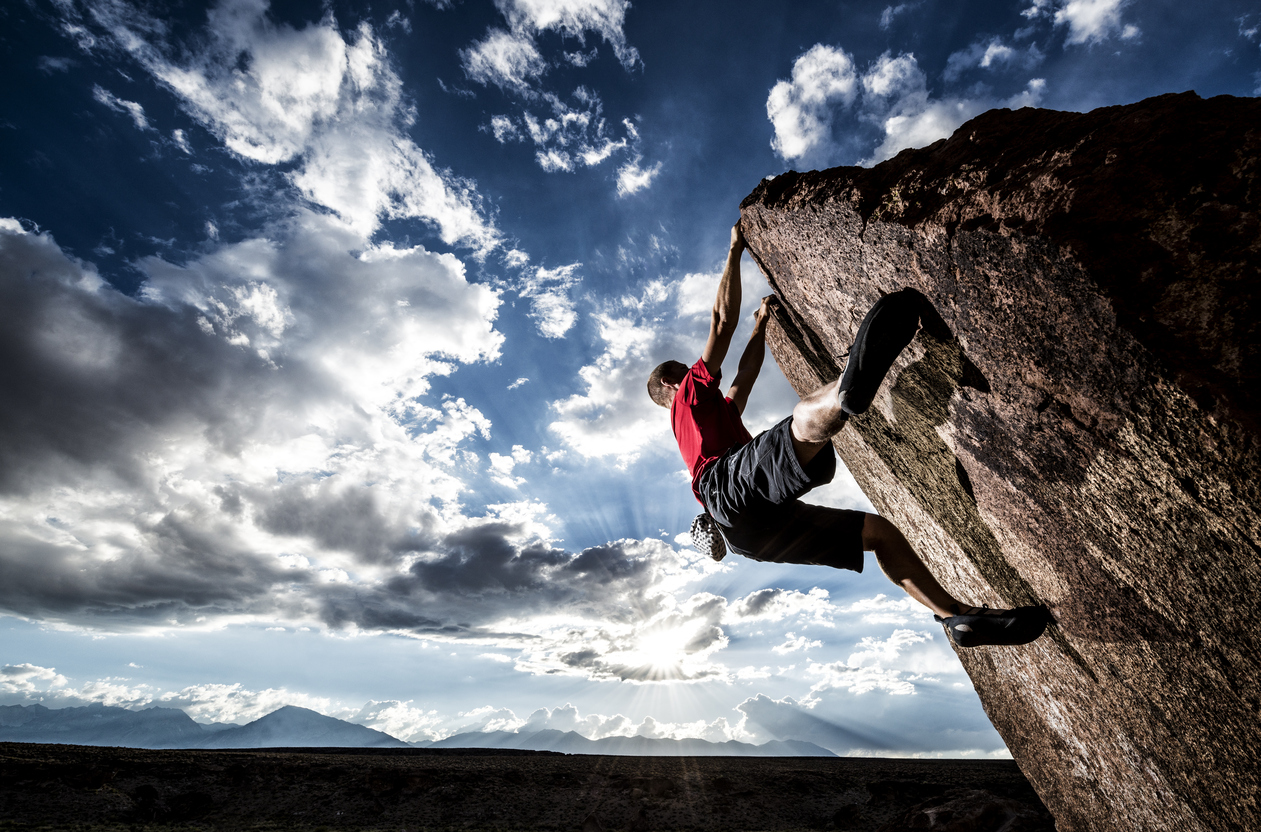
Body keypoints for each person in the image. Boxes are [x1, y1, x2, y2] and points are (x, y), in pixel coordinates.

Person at [646, 222, 1048, 648]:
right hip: (726, 488)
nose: (691, 371)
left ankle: (956, 619)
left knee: (878, 534)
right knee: (800, 420)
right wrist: (733, 250)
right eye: (682, 371)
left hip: (750, 533)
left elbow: (742, 380)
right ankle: (841, 395)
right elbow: (720, 321)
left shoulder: (708, 415)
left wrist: (761, 327)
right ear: (672, 385)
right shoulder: (686, 394)